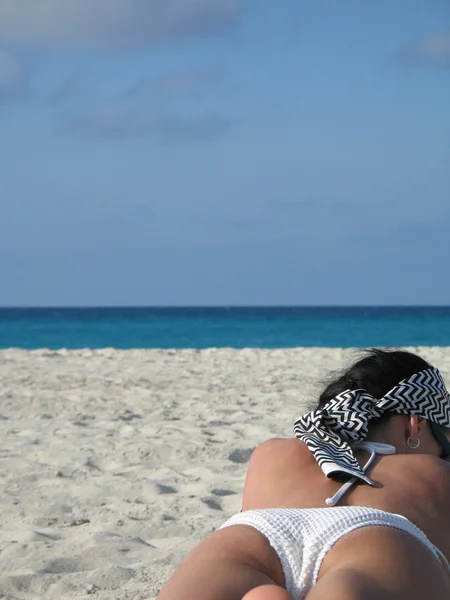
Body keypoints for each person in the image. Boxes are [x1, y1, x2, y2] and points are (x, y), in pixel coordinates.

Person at [156, 349, 450, 600]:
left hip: (253, 539)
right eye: (444, 440)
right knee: (350, 585)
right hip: (378, 541)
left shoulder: (271, 454)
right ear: (416, 425)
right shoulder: (435, 473)